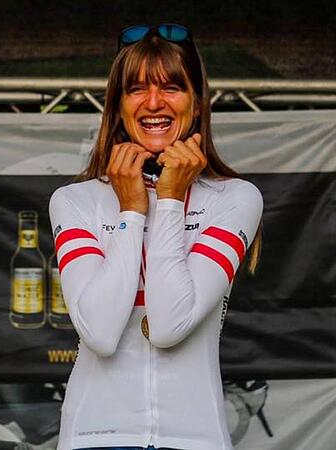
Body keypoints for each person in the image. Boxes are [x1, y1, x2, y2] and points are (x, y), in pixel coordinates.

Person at [48, 24, 263, 450]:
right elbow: (100, 333)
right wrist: (130, 209)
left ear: (196, 104)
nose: (153, 103)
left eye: (171, 87)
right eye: (135, 89)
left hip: (194, 439)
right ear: (118, 107)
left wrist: (169, 199)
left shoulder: (235, 197)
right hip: (94, 437)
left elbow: (167, 324)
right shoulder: (75, 200)